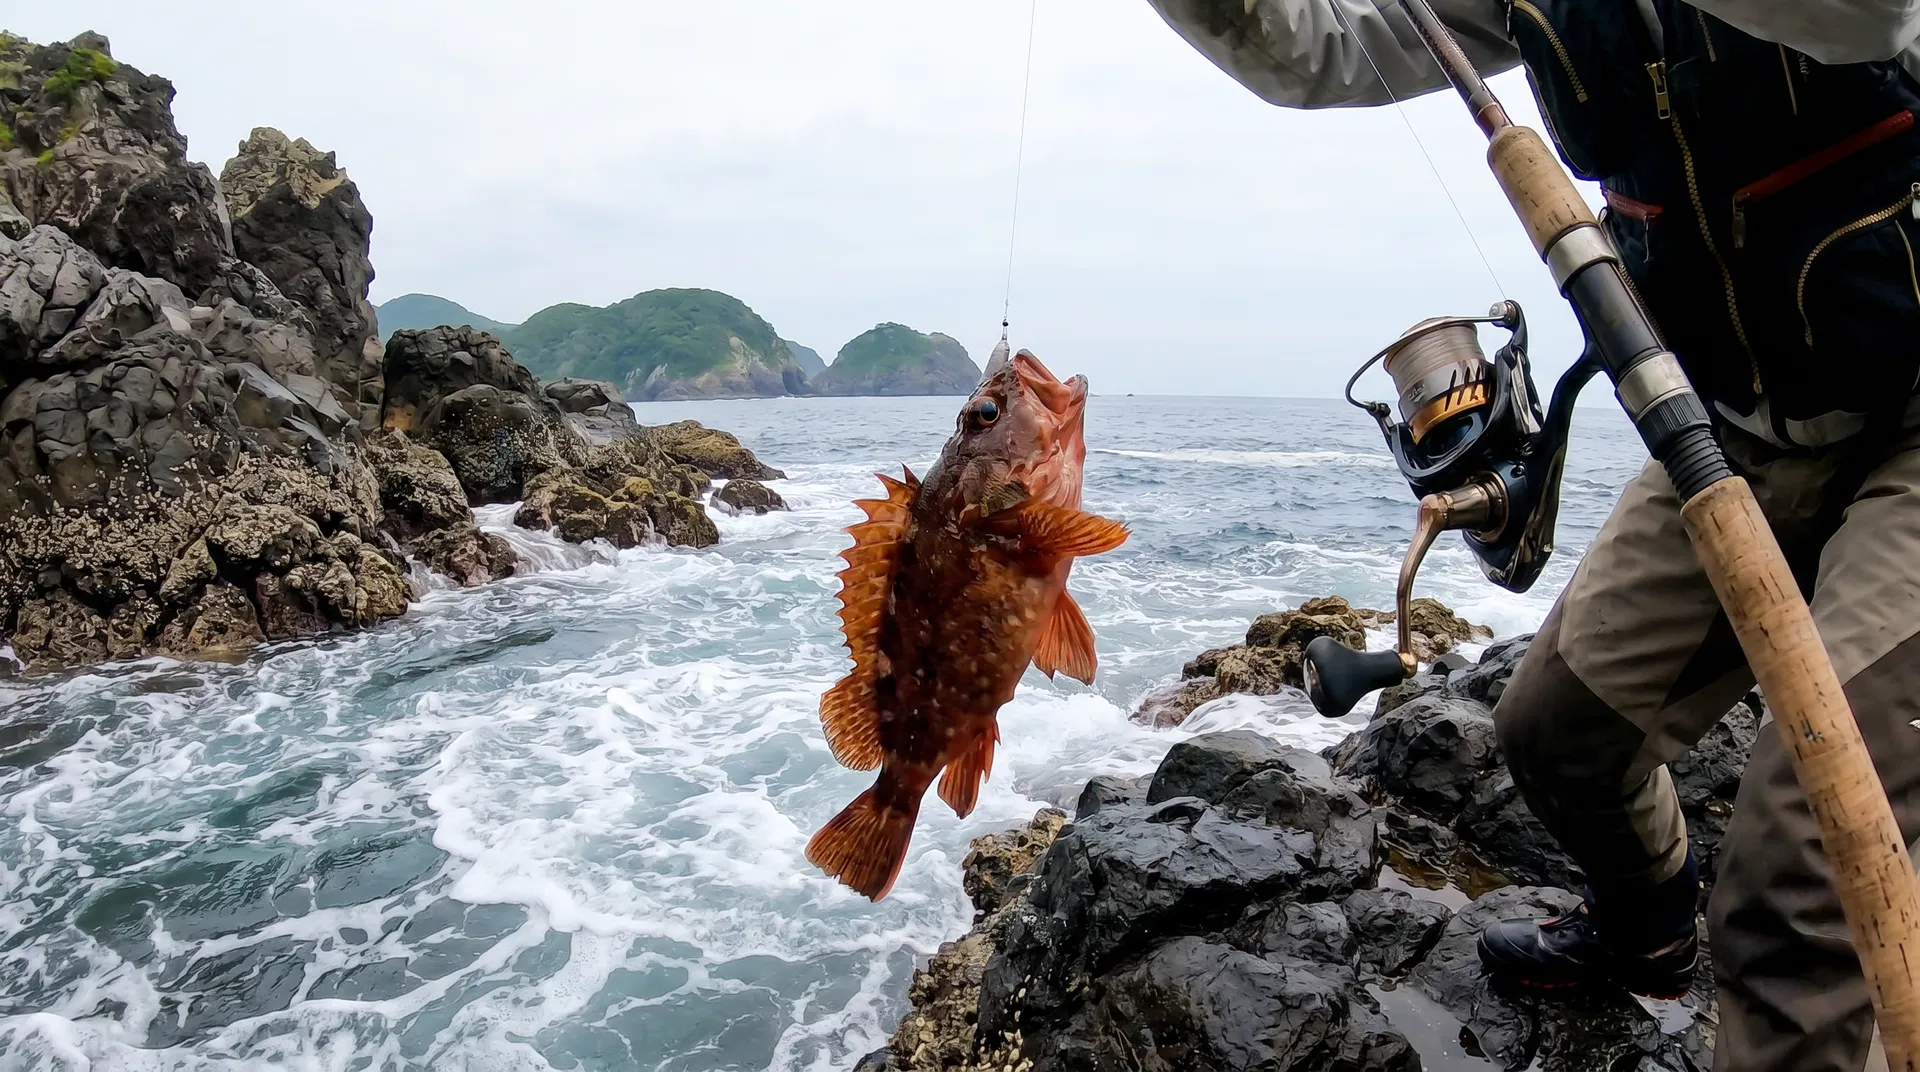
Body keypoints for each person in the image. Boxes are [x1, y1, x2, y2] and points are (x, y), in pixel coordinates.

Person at [1144, 2, 1920, 1070]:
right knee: (1557, 733)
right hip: (1729, 427)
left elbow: (1870, 17)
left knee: (1801, 869)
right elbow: (1310, 46)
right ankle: (1648, 935)